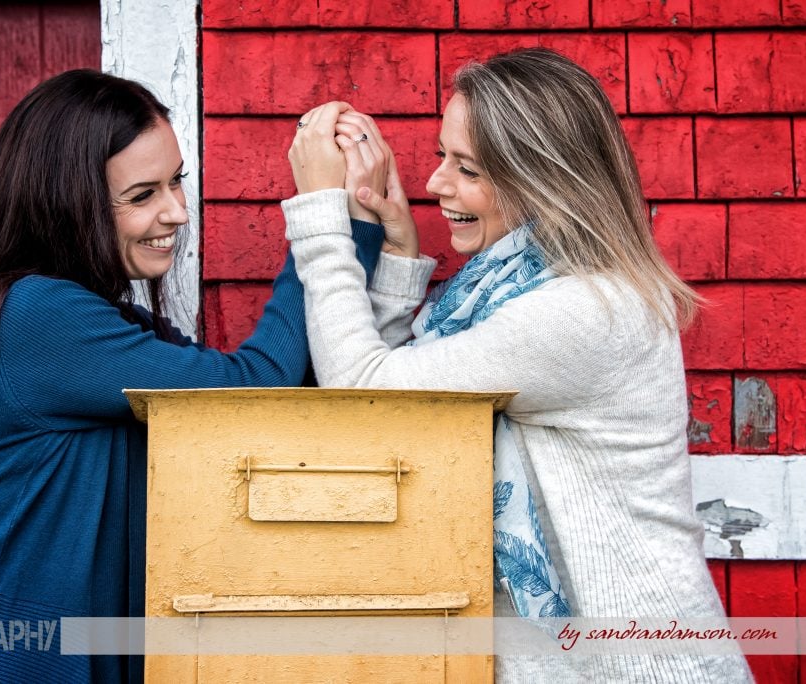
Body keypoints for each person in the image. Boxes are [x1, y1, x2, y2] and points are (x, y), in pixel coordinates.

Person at [282, 48, 753, 682]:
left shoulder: (584, 311)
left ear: (543, 183)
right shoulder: (509, 291)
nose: (435, 183)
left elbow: (366, 392)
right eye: (443, 155)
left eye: (467, 167)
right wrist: (397, 259)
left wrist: (320, 218)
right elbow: (402, 412)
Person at [0, 69, 382, 682]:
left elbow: (278, 394)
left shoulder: (100, 322)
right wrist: (324, 216)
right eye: (143, 195)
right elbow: (255, 387)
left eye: (177, 181)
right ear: (66, 202)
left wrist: (365, 224)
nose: (178, 212)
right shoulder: (38, 319)